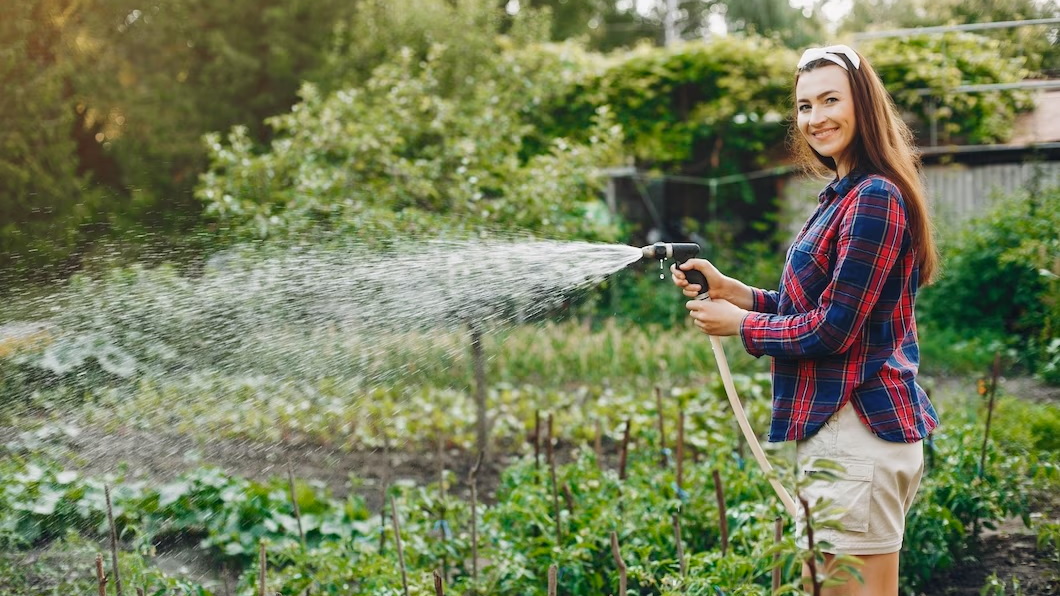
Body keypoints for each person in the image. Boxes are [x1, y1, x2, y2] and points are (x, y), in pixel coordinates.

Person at [671, 44, 939, 595]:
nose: (815, 118)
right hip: (845, 430)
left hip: (857, 426)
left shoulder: (873, 197)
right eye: (803, 106)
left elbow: (832, 329)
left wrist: (740, 326)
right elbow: (814, 310)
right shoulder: (841, 196)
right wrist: (736, 293)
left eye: (830, 100)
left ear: (863, 105)